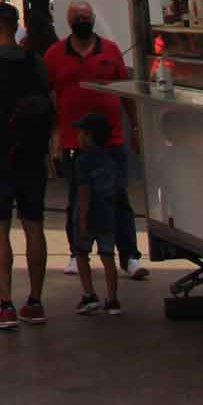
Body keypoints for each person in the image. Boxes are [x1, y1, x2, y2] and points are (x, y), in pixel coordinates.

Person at [0, 0, 54, 333]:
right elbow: (50, 104)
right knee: (34, 224)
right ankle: (35, 300)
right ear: (15, 26)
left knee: (0, 227)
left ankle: (6, 305)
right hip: (32, 152)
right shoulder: (37, 61)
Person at [44, 0, 144, 280]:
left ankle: (130, 257)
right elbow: (48, 96)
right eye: (77, 17)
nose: (82, 21)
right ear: (68, 21)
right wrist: (53, 138)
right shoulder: (54, 54)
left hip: (111, 140)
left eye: (86, 16)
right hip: (74, 143)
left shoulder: (110, 51)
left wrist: (135, 128)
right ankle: (78, 253)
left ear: (93, 19)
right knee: (77, 200)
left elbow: (126, 94)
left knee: (119, 198)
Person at [73, 111, 122, 317]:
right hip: (108, 214)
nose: (78, 136)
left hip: (89, 214)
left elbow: (84, 192)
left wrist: (82, 220)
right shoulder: (111, 160)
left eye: (81, 132)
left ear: (89, 136)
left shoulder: (82, 161)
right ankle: (112, 300)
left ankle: (89, 294)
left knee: (82, 254)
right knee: (108, 256)